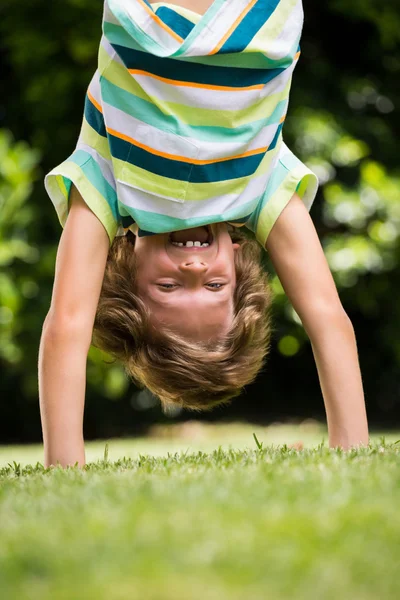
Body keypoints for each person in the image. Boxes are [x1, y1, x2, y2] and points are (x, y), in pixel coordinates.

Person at [39, 0, 369, 467]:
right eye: (214, 286)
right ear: (237, 266)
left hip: (149, 19)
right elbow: (328, 319)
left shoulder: (110, 186)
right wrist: (351, 448)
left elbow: (68, 326)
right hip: (258, 20)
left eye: (170, 286)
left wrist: (63, 464)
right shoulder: (259, 191)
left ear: (130, 273)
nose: (195, 267)